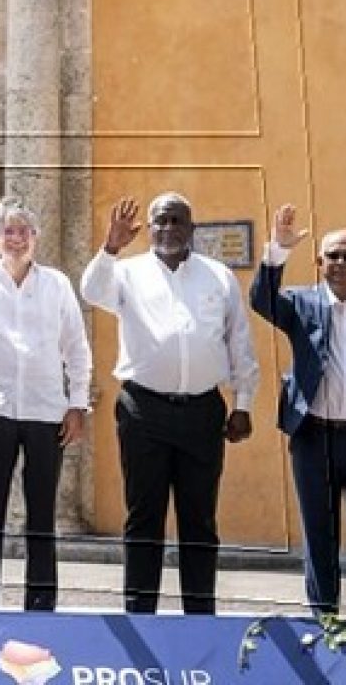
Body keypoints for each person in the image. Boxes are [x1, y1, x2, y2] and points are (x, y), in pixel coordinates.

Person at [79, 193, 259, 614]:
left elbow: (239, 340)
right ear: (150, 228)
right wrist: (110, 247)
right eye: (160, 220)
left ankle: (200, 618)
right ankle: (140, 616)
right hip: (144, 411)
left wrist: (243, 403)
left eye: (177, 220)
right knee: (144, 517)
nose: (168, 228)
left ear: (191, 228)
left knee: (200, 519)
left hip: (203, 412)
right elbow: (91, 291)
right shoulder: (126, 272)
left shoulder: (218, 276)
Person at [249, 204, 346, 617]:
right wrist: (278, 250)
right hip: (312, 437)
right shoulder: (300, 304)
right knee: (319, 538)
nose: (340, 264)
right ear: (319, 262)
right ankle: (325, 622)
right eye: (332, 256)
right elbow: (262, 300)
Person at [0, 195, 91, 611]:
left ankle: (40, 606)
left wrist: (77, 403)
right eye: (9, 231)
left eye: (24, 231)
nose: (17, 238)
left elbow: (76, 346)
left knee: (42, 516)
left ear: (36, 238)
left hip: (46, 410)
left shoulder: (56, 284)